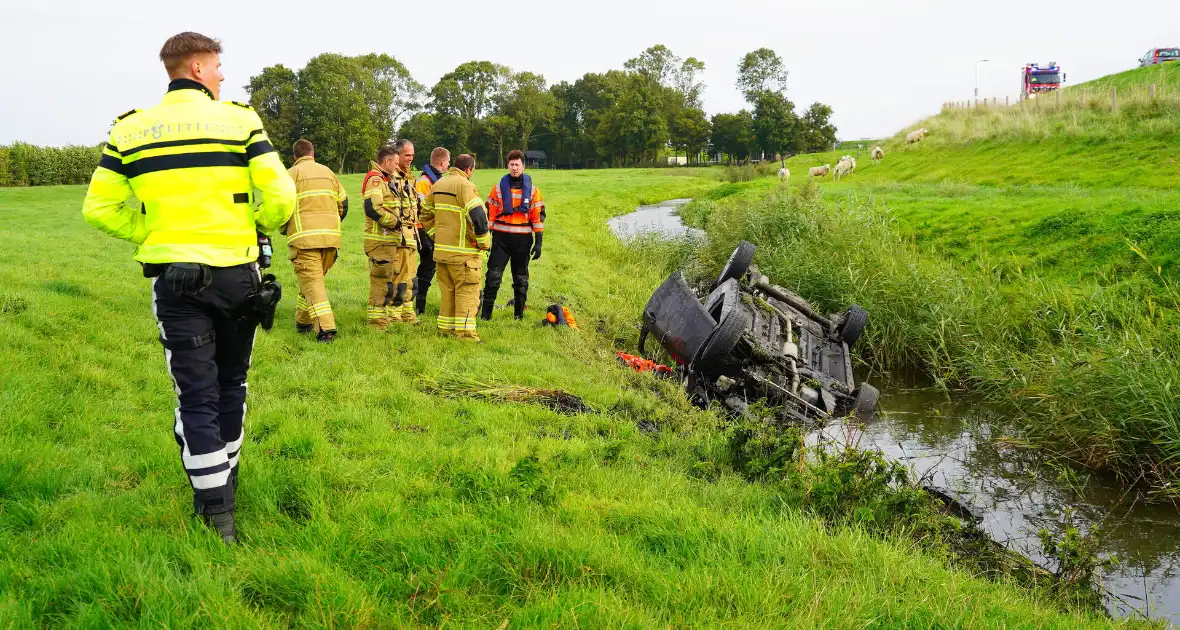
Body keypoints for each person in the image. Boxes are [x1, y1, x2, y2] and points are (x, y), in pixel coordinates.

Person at [81, 32, 296, 543]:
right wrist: (255, 228)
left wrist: (157, 237)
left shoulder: (130, 129)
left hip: (178, 283)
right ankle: (228, 487)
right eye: (218, 66)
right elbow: (281, 194)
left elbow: (99, 209)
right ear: (198, 68)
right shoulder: (241, 120)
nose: (223, 75)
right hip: (239, 278)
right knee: (232, 386)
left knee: (195, 397)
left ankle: (217, 515)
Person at [419, 154, 491, 341]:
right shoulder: (465, 185)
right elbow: (479, 217)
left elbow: (424, 214)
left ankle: (445, 330)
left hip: (442, 253)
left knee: (448, 292)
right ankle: (466, 335)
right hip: (464, 255)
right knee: (467, 292)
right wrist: (484, 242)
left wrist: (436, 235)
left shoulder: (439, 184)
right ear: (469, 170)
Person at [286, 139, 347, 342]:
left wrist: (283, 228)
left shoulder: (291, 175)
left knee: (313, 284)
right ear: (313, 153)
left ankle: (325, 330)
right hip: (330, 240)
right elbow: (343, 204)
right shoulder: (329, 172)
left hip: (304, 240)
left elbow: (281, 207)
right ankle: (302, 322)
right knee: (312, 283)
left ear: (295, 157)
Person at [481, 149, 546, 320]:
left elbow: (537, 216)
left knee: (521, 279)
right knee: (493, 277)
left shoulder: (533, 191)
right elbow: (490, 215)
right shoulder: (497, 189)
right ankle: (485, 315)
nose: (515, 168)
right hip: (501, 239)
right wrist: (485, 238)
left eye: (517, 165)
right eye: (512, 165)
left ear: (523, 166)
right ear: (507, 166)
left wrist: (538, 241)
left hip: (522, 241)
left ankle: (519, 316)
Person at [361, 144, 403, 330]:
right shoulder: (376, 180)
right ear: (386, 161)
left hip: (387, 242)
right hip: (380, 241)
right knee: (380, 283)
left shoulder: (384, 179)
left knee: (386, 281)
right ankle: (377, 324)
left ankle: (380, 321)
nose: (396, 166)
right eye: (394, 163)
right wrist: (394, 222)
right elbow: (372, 208)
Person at [413, 147, 450, 315]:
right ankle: (418, 306)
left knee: (431, 267)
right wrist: (423, 236)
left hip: (434, 231)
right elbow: (419, 210)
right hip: (424, 231)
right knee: (427, 267)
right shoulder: (424, 181)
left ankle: (419, 305)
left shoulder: (436, 179)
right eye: (448, 162)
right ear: (442, 162)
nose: (449, 165)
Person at [390, 139, 420, 325]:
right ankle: (394, 316)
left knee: (410, 277)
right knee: (397, 277)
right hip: (398, 236)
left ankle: (408, 314)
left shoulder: (410, 177)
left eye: (412, 155)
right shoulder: (391, 177)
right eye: (407, 155)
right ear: (397, 155)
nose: (410, 158)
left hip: (412, 235)